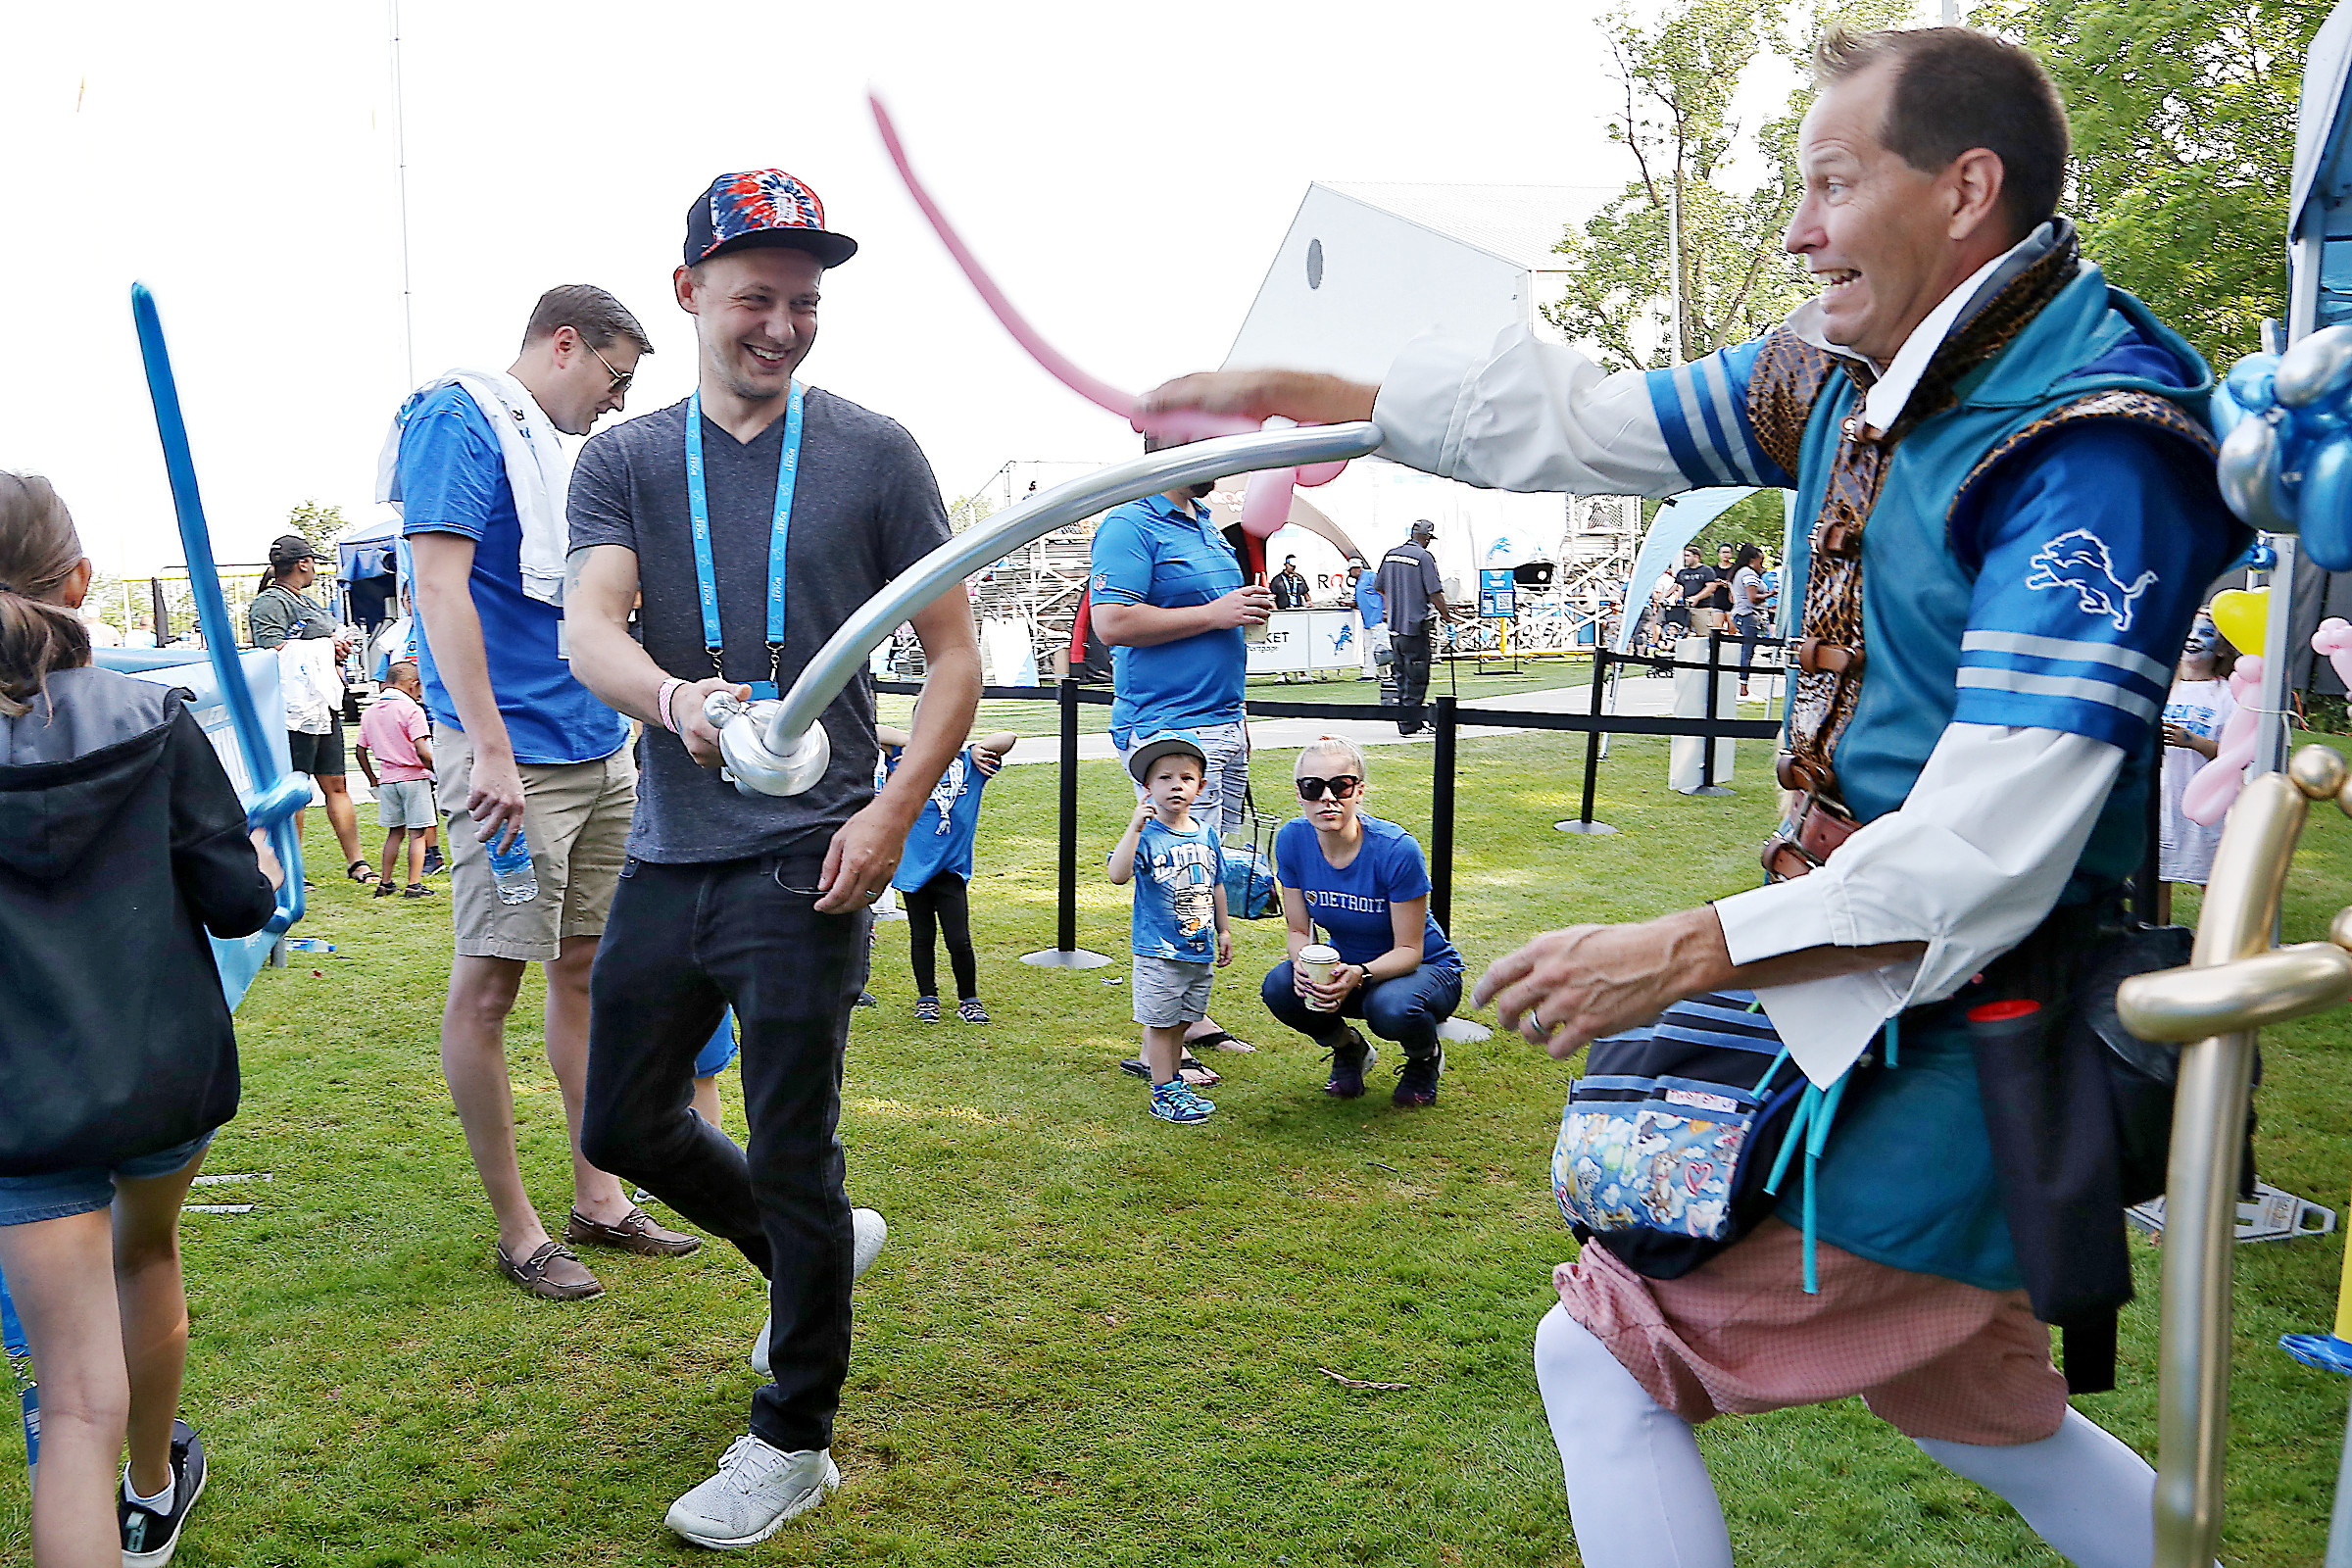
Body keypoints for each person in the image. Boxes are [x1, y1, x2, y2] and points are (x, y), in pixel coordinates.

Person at [1137, 25, 2243, 1567]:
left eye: (1833, 184)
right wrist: (1300, 385)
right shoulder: (1857, 371)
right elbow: (1595, 421)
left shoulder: (2097, 439)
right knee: (1967, 1405)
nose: (1795, 230)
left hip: (1987, 1020)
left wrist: (1685, 948)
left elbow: (1995, 834)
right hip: (1890, 1003)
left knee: (1599, 1355)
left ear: (1967, 188)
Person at [564, 168, 982, 1547]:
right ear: (690, 292)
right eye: (755, 297)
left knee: (797, 1151)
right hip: (677, 848)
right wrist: (677, 701)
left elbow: (956, 655)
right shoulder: (624, 458)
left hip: (817, 856)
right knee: (620, 1122)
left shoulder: (875, 453)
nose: (784, 325)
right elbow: (594, 629)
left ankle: (793, 1438)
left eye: (806, 302)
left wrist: (892, 814)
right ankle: (808, 1257)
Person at [388, 284, 696, 1302]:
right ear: (565, 345)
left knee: (586, 969)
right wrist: (485, 750)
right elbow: (438, 588)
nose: (615, 402)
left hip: (592, 744)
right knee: (488, 987)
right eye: (613, 376)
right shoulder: (460, 416)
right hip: (507, 758)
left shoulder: (554, 448)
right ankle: (518, 1229)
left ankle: (597, 1197)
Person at [0, 472, 281, 1568]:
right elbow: (240, 900)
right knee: (147, 1256)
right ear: (79, 581)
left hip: (21, 1100)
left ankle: (146, 1485)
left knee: (72, 1404)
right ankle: (153, 1487)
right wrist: (255, 859)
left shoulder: (148, 715)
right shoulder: (150, 716)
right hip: (158, 1072)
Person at [1090, 433, 1268, 1069]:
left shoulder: (1204, 525)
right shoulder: (1130, 524)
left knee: (1203, 877)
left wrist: (1238, 713)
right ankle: (1159, 1046)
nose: (1226, 466)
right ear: (1172, 452)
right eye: (1213, 452)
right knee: (1176, 882)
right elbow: (1112, 623)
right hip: (1168, 730)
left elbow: (1219, 621)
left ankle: (1190, 1019)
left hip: (1220, 723)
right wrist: (1216, 613)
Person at [1259, 738, 1463, 1107]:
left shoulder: (1396, 850)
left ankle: (1424, 1057)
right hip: (1346, 967)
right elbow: (1296, 931)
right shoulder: (1292, 840)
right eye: (1313, 787)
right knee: (1280, 987)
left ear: (1359, 790)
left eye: (1341, 785)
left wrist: (1359, 973)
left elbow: (1410, 950)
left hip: (1426, 971)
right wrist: (1302, 966)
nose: (1328, 797)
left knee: (1390, 1008)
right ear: (1299, 793)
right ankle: (1350, 1049)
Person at [1106, 731, 1233, 1125]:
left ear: (1201, 786)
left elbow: (1216, 883)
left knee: (1182, 1020)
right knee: (1161, 1024)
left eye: (1186, 778)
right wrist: (1134, 829)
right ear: (1147, 788)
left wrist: (1224, 931)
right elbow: (1117, 874)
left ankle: (1174, 1079)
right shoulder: (1146, 835)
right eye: (1164, 778)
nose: (1176, 785)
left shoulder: (1206, 833)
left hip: (1198, 949)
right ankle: (1164, 1092)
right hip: (1158, 952)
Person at [876, 716, 1018, 1022]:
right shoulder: (904, 762)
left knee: (959, 938)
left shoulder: (969, 764)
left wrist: (977, 747)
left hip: (951, 870)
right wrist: (912, 742)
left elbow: (1009, 736)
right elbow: (872, 730)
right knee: (922, 936)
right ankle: (927, 997)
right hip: (914, 869)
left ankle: (969, 999)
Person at [247, 534, 370, 885]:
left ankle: (357, 862)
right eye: (313, 561)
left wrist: (337, 647)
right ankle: (291, 868)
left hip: (322, 704)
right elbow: (270, 650)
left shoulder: (308, 601)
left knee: (337, 782)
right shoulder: (270, 602)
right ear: (303, 564)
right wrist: (324, 648)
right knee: (297, 788)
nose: (315, 567)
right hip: (292, 710)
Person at [2157, 609, 2238, 923]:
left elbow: (2236, 756)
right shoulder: (2161, 687)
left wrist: (2192, 740)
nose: (2193, 639)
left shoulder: (2228, 694)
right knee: (2154, 876)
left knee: (2213, 878)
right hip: (2159, 799)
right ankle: (2155, 939)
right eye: (2188, 631)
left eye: (2205, 633)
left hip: (2205, 807)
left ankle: (2218, 944)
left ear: (2220, 648)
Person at [353, 659, 438, 898]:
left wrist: (372, 778)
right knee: (418, 833)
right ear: (413, 685)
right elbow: (422, 750)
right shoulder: (412, 710)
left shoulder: (370, 711)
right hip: (414, 778)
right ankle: (414, 884)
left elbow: (360, 750)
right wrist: (436, 771)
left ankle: (386, 881)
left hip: (388, 779)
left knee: (394, 832)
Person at [1375, 518, 1456, 734]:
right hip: (1415, 627)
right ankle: (1411, 725)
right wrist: (1447, 617)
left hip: (1394, 627)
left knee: (1401, 675)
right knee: (1417, 677)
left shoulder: (1391, 554)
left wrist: (1391, 609)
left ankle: (1404, 721)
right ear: (1427, 537)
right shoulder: (1423, 557)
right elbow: (1434, 592)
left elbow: (1380, 586)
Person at [1728, 542, 1770, 697]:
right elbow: (1753, 597)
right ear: (1753, 560)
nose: (1762, 566)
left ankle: (1742, 684)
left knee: (1747, 650)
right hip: (1748, 615)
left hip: (1740, 613)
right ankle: (1743, 686)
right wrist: (1771, 595)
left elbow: (1733, 597)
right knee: (1748, 651)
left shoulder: (1737, 573)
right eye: (1761, 562)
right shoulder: (1749, 574)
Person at [1346, 558, 1387, 681]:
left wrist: (1386, 611)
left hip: (1377, 617)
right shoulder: (1360, 581)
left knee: (1381, 647)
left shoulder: (1371, 577)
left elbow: (1385, 592)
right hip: (1368, 619)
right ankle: (1370, 673)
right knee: (1370, 647)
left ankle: (1384, 673)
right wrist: (1350, 603)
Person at [1668, 544, 1716, 641]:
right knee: (1681, 634)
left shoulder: (1706, 571)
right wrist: (1664, 596)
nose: (1685, 558)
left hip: (1702, 608)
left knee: (1704, 635)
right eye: (1685, 556)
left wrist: (1696, 598)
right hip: (1685, 608)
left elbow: (1711, 587)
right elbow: (1676, 586)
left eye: (1688, 556)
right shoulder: (1683, 572)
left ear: (1696, 557)